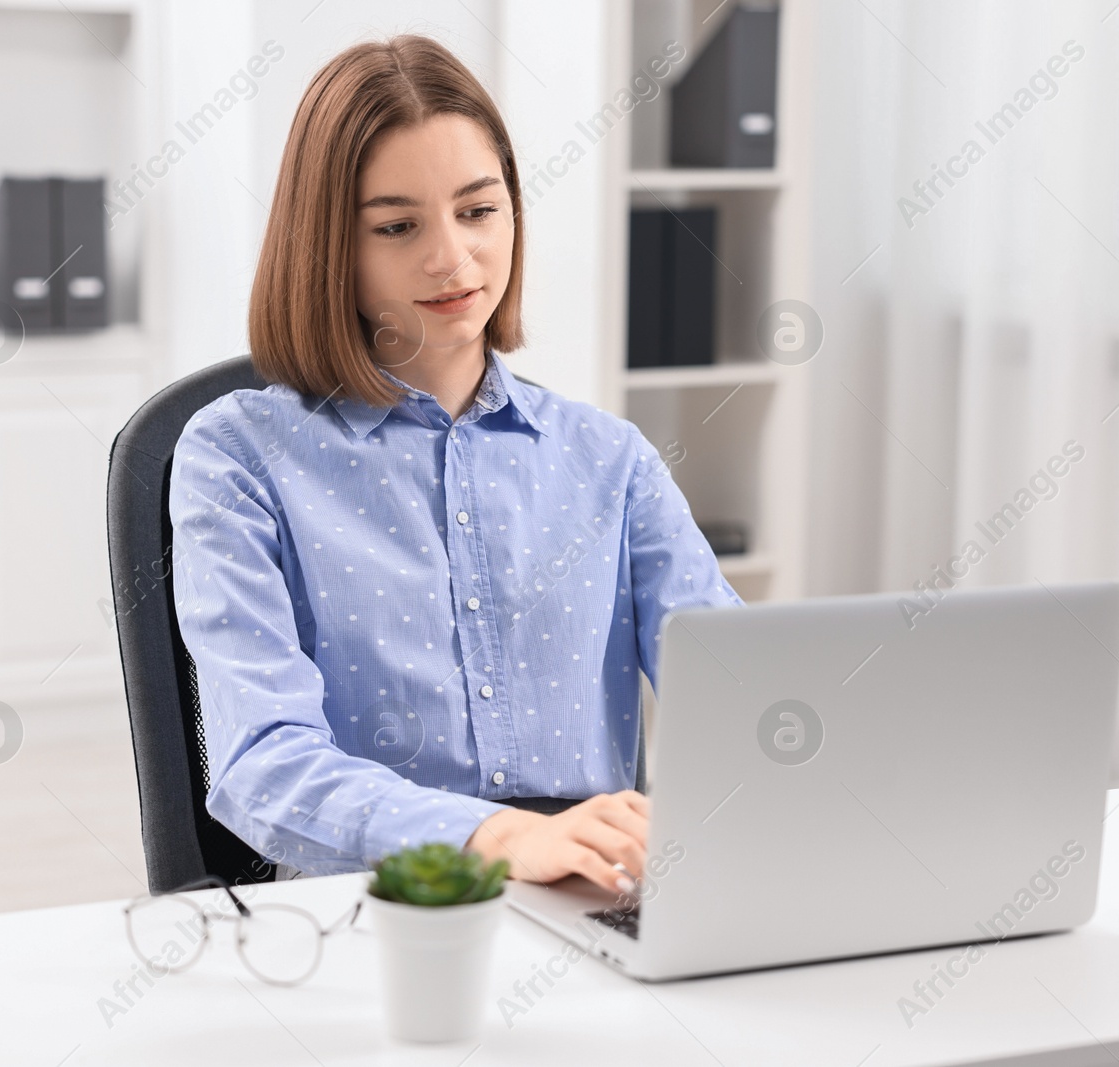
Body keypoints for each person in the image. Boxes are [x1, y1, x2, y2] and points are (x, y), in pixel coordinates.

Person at [168, 34, 742, 897]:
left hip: (591, 893)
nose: (452, 258)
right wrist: (495, 835)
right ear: (328, 246)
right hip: (376, 902)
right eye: (398, 226)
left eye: (479, 211)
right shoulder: (238, 456)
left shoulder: (608, 459)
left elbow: (738, 691)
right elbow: (263, 764)